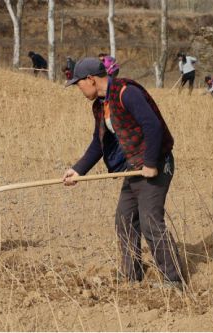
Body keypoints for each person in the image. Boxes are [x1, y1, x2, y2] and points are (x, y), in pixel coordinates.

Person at [63, 58, 184, 290]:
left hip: (156, 163)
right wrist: (78, 170)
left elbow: (153, 126)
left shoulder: (126, 93)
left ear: (90, 79)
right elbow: (98, 144)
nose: (78, 88)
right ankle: (132, 274)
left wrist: (150, 163)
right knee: (125, 219)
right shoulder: (100, 105)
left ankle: (173, 279)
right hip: (136, 166)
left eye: (79, 83)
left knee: (150, 220)